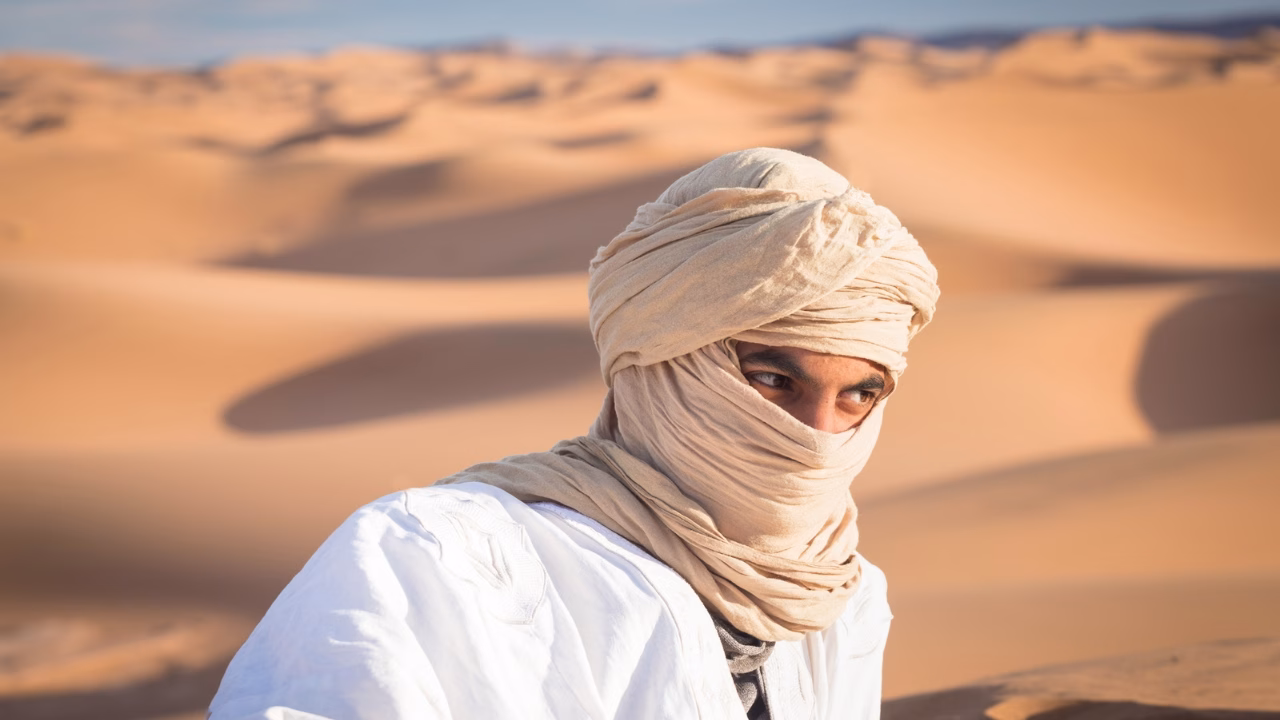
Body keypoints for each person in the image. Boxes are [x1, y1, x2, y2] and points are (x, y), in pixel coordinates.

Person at [208, 147, 939, 720]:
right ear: (661, 366)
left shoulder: (839, 593)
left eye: (858, 395)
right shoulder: (441, 555)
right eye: (772, 380)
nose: (814, 435)